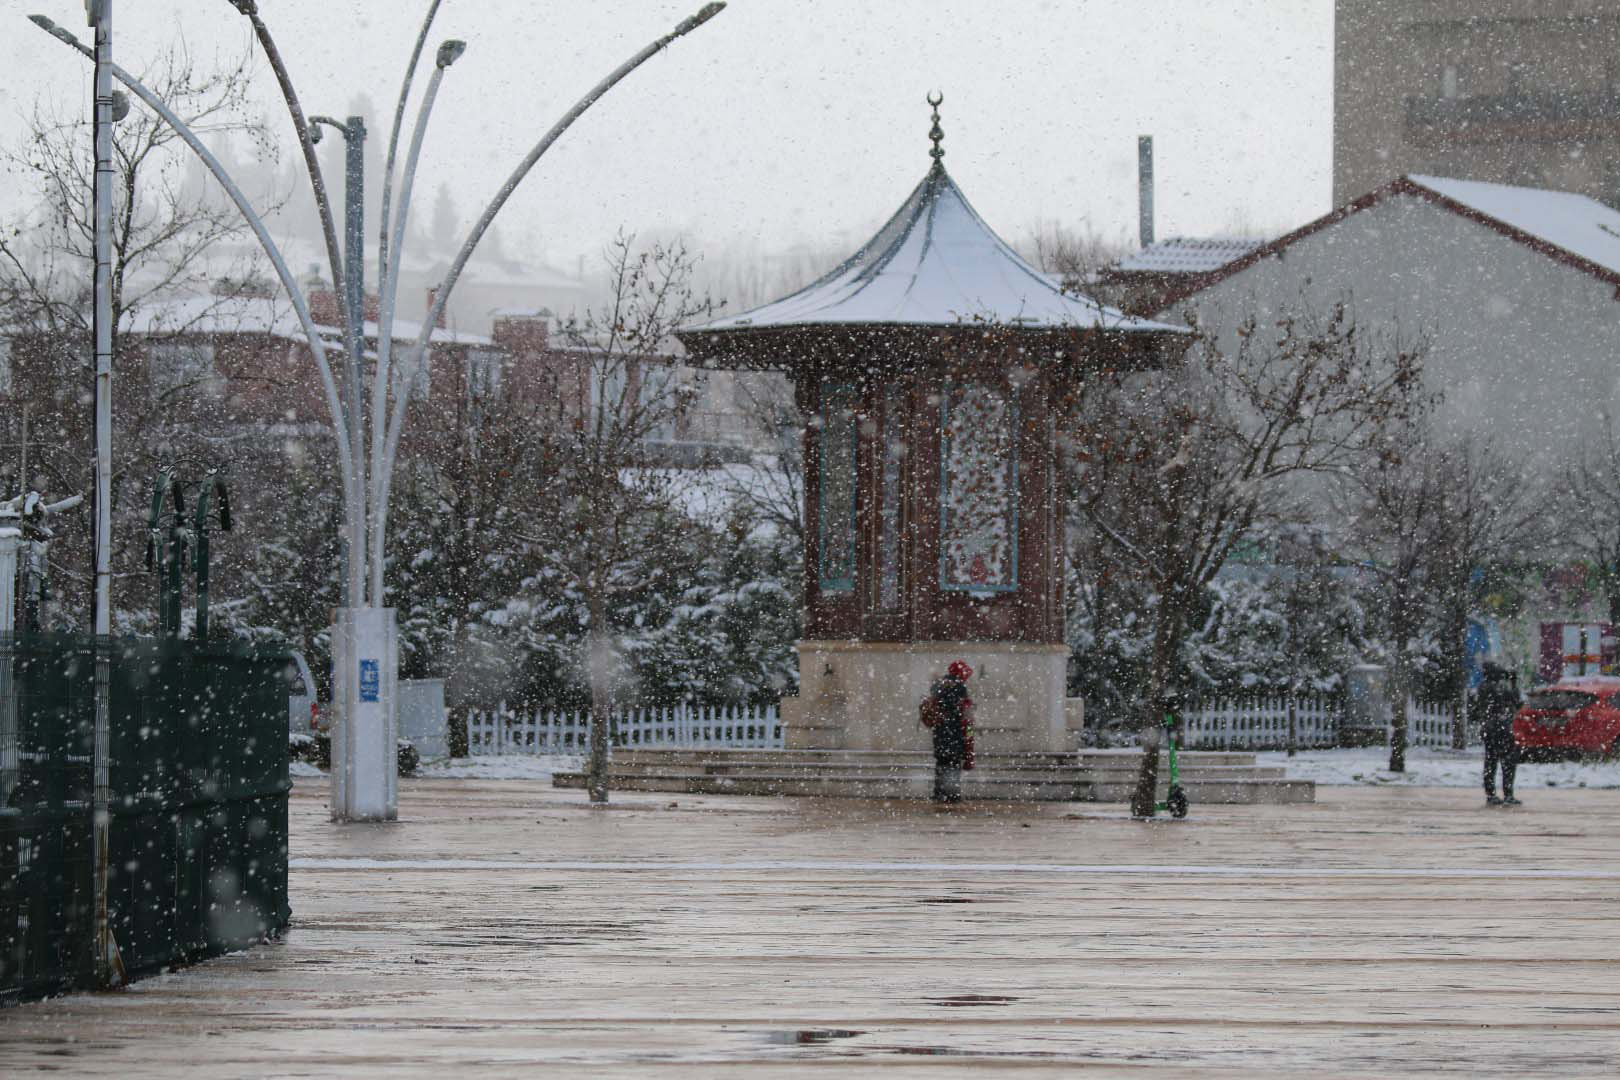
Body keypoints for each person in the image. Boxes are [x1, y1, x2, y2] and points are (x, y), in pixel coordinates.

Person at [923, 660, 974, 803]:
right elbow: (961, 713)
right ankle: (952, 795)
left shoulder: (939, 685)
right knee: (953, 765)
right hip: (955, 732)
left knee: (942, 763)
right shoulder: (959, 687)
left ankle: (939, 793)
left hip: (940, 732)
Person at [1477, 663, 1521, 807]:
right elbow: (1515, 701)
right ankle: (1505, 794)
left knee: (1492, 761)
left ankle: (1493, 794)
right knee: (1506, 762)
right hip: (1499, 728)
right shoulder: (1493, 688)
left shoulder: (1485, 687)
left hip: (1491, 728)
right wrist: (1513, 683)